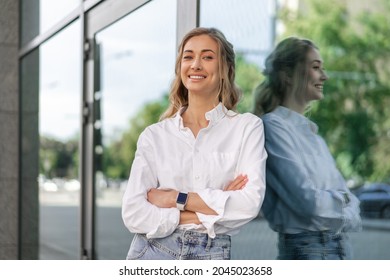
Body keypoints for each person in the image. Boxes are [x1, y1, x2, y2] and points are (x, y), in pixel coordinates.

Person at [121, 27, 267, 260]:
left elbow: (249, 204)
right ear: (180, 68)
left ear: (225, 69)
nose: (196, 64)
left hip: (212, 254)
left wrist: (174, 199)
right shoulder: (155, 136)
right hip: (153, 253)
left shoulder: (246, 128)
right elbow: (133, 214)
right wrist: (213, 205)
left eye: (208, 57)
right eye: (188, 57)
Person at [253, 37, 362, 260]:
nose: (325, 76)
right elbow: (308, 203)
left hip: (340, 249)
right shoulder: (273, 128)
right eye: (315, 67)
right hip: (308, 253)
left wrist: (340, 203)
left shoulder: (315, 137)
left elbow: (354, 205)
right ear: (288, 75)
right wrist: (343, 202)